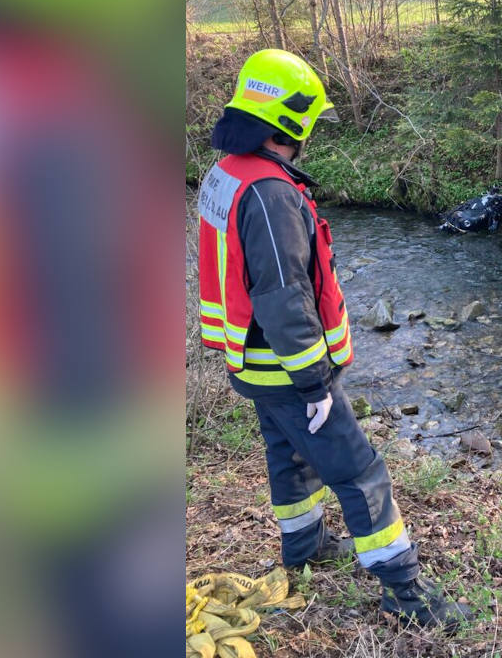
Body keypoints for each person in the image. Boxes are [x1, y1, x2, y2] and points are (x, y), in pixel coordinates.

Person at [196, 49, 469, 629]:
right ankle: (407, 596)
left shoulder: (226, 175)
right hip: (287, 368)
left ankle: (305, 549)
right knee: (361, 471)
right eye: (311, 120)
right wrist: (316, 383)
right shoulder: (270, 194)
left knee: (289, 458)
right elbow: (283, 297)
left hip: (250, 363)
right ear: (291, 119)